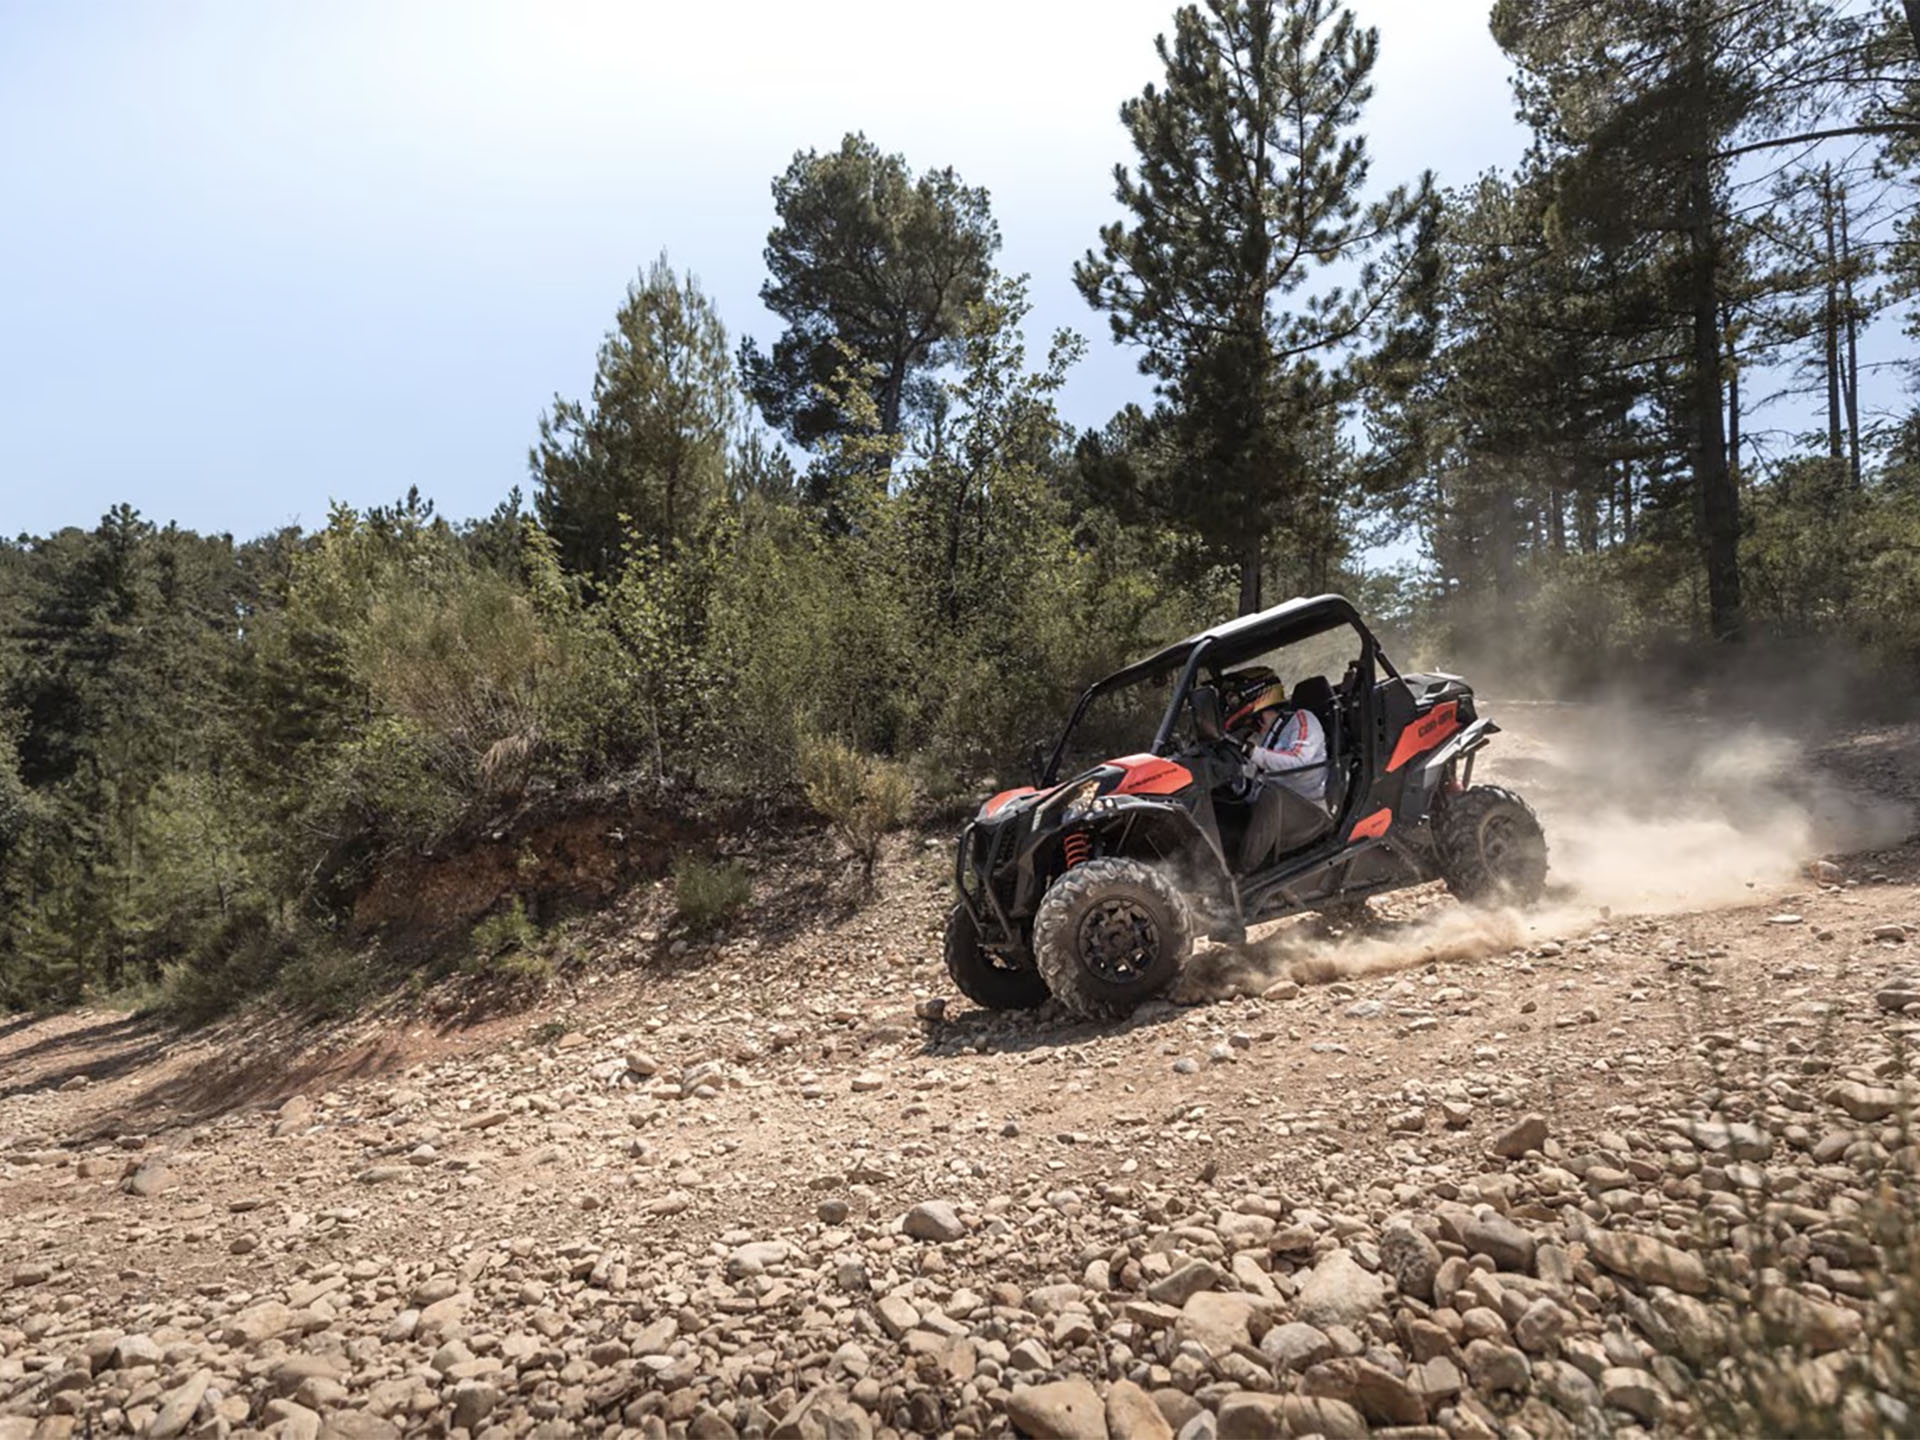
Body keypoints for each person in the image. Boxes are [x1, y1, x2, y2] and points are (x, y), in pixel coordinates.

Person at [1221, 668, 1330, 870]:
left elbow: (1299, 761)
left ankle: (1243, 874)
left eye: (1235, 699)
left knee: (1269, 795)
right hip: (1280, 815)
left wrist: (1252, 752)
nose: (1232, 705)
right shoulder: (1263, 737)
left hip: (1311, 812)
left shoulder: (1301, 719)